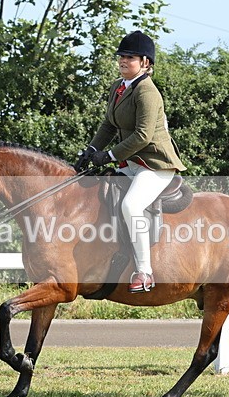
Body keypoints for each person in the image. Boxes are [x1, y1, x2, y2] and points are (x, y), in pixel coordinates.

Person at [75, 30, 187, 293]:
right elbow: (109, 125)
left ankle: (145, 272)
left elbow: (143, 135)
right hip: (131, 162)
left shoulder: (147, 92)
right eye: (121, 56)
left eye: (130, 57)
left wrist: (110, 156)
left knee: (131, 205)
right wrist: (91, 150)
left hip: (155, 164)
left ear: (145, 63)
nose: (123, 61)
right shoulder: (119, 86)